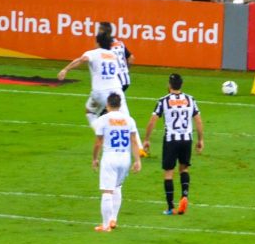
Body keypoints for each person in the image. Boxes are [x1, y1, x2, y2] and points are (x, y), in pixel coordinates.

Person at [142, 73, 203, 215]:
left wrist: (146, 139)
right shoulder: (190, 99)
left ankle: (170, 207)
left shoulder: (163, 100)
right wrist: (200, 140)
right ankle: (185, 196)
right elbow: (198, 120)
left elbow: (152, 121)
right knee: (184, 169)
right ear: (181, 85)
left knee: (169, 173)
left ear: (169, 85)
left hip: (171, 140)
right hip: (186, 139)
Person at [90, 92, 143, 232]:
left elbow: (98, 143)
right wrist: (137, 160)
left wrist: (94, 158)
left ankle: (106, 225)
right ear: (119, 105)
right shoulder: (129, 120)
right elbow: (133, 141)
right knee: (118, 187)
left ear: (107, 105)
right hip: (125, 158)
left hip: (110, 157)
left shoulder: (104, 119)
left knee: (107, 191)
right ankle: (114, 218)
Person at [57, 30, 129, 126]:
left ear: (98, 42)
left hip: (99, 92)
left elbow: (82, 59)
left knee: (90, 112)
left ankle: (100, 132)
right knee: (127, 120)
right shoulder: (113, 55)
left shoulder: (92, 53)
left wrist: (65, 69)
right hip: (116, 91)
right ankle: (133, 138)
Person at [98, 22, 133, 92]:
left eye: (99, 30)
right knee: (116, 101)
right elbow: (131, 58)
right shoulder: (120, 43)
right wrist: (125, 70)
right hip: (126, 79)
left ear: (102, 31)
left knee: (108, 101)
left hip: (115, 81)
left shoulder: (105, 45)